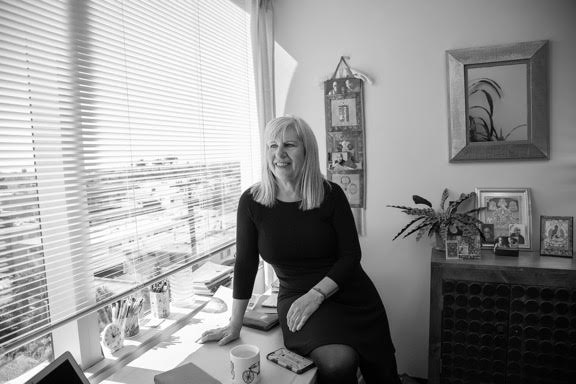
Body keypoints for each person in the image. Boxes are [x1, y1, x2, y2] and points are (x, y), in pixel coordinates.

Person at [198, 116, 401, 384]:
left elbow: (351, 256)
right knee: (338, 363)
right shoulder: (251, 201)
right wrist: (235, 324)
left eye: (289, 145)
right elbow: (245, 264)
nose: (279, 154)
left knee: (382, 377)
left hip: (349, 294)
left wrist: (316, 294)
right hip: (296, 298)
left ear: (307, 150)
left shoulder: (331, 194)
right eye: (272, 145)